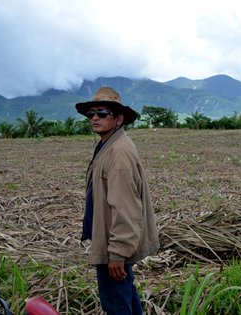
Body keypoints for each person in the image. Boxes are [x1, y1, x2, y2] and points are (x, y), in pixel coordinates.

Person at [76, 87, 160, 315]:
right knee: (125, 298)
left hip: (113, 244)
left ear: (119, 119)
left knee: (116, 304)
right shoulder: (109, 145)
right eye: (91, 113)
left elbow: (125, 207)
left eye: (102, 113)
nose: (94, 117)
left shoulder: (118, 153)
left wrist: (118, 253)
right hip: (109, 239)